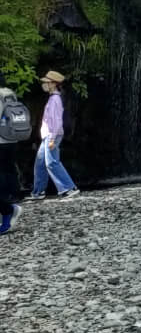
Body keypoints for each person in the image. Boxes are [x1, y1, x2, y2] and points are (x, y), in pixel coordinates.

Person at [30, 70, 80, 201]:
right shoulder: (53, 98)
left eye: (46, 82)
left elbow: (57, 121)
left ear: (53, 84)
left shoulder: (55, 100)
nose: (44, 84)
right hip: (48, 136)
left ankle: (69, 188)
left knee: (52, 162)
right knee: (40, 163)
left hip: (52, 136)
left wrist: (52, 139)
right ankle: (38, 192)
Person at [0, 76, 25, 233]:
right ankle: (8, 206)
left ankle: (8, 210)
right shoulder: (9, 93)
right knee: (6, 175)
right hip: (12, 140)